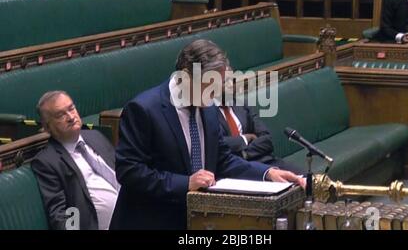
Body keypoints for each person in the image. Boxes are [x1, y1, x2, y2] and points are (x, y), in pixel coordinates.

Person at [110, 39, 304, 230]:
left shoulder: (208, 109)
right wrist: (185, 183)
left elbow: (222, 160)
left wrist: (267, 173)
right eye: (209, 85)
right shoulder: (144, 109)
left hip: (199, 221)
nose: (215, 93)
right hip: (153, 221)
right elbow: (129, 171)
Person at [31, 91, 119, 230]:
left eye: (71, 109)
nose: (71, 117)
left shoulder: (95, 136)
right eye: (61, 115)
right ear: (47, 127)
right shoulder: (47, 162)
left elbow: (122, 172)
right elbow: (60, 215)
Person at [217, 67, 304, 174]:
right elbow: (219, 145)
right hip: (236, 170)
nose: (230, 85)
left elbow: (267, 140)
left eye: (232, 80)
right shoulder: (207, 114)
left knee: (308, 180)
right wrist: (245, 138)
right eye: (225, 81)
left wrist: (244, 153)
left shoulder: (242, 105)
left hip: (266, 161)